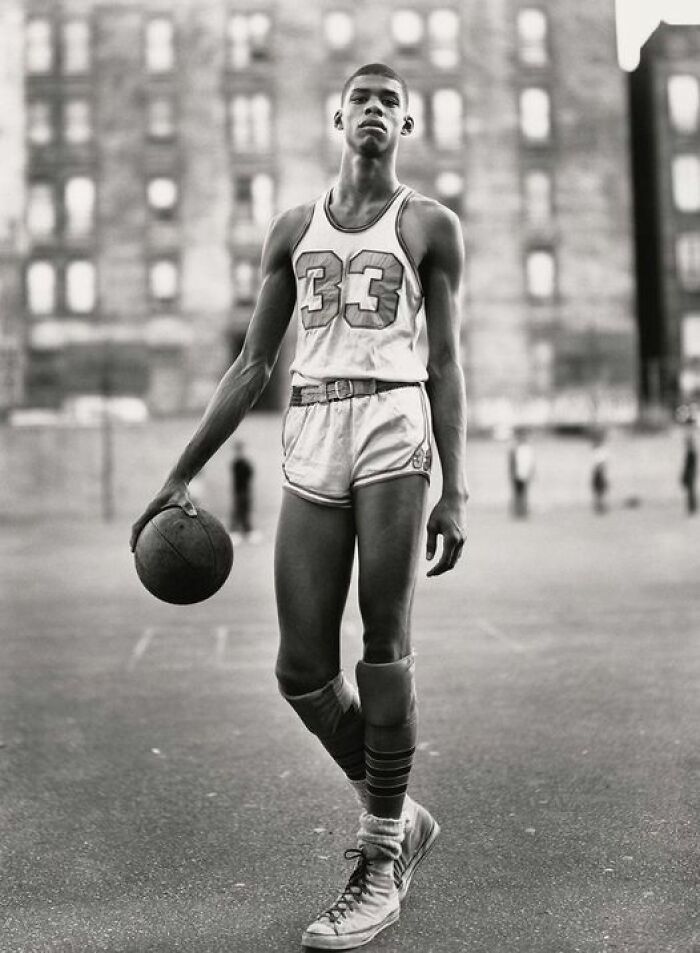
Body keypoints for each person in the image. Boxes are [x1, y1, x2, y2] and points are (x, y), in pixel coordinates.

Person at [130, 63, 468, 950]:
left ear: (407, 125)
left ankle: (379, 856)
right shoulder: (292, 228)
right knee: (300, 670)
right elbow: (250, 367)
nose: (375, 112)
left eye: (390, 103)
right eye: (362, 98)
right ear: (337, 116)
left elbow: (448, 367)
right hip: (313, 426)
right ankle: (403, 813)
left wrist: (457, 487)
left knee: (383, 642)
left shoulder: (431, 225)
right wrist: (179, 474)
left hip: (395, 420)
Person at [229, 440, 257, 542]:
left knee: (245, 510)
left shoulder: (243, 463)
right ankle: (235, 532)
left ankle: (246, 531)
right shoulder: (238, 463)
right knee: (238, 511)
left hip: (245, 491)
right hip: (240, 491)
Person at [508, 428, 534, 518]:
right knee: (518, 493)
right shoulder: (515, 448)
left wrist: (532, 473)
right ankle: (518, 512)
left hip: (525, 473)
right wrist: (512, 474)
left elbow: (531, 462)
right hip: (517, 473)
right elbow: (511, 462)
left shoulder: (527, 448)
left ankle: (523, 511)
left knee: (524, 493)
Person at [591, 429, 610, 515]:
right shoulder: (599, 450)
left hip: (599, 470)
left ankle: (599, 504)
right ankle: (599, 504)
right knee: (599, 488)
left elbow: (601, 463)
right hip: (598, 470)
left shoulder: (601, 451)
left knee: (599, 488)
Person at [681, 426, 697, 515]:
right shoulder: (691, 452)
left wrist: (686, 474)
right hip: (690, 472)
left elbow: (689, 465)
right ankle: (692, 507)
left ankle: (692, 507)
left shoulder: (691, 452)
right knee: (690, 490)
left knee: (690, 490)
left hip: (690, 472)